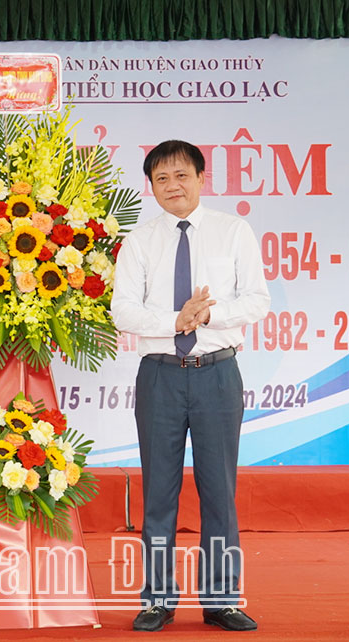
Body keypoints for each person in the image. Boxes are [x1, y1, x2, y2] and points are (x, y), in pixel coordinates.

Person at [112, 140, 270, 632]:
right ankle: (157, 599)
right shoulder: (139, 241)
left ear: (202, 178)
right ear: (151, 187)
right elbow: (123, 311)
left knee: (219, 490)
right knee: (159, 492)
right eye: (161, 179)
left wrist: (207, 315)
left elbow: (257, 300)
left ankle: (221, 599)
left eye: (181, 175)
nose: (172, 186)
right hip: (159, 375)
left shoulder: (233, 231)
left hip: (217, 374)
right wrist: (175, 320)